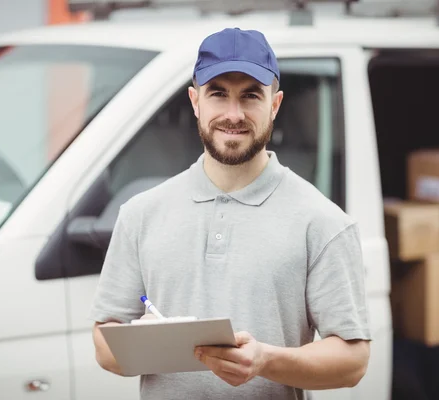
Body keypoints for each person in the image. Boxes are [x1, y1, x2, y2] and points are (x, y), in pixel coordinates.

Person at [88, 27, 372, 400]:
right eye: (218, 94)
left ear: (274, 104)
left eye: (250, 96)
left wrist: (266, 361)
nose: (233, 114)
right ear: (195, 101)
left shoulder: (323, 222)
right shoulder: (141, 214)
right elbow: (103, 345)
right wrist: (145, 342)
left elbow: (353, 361)